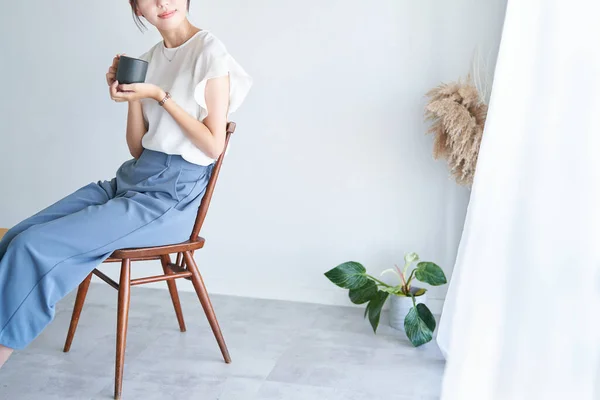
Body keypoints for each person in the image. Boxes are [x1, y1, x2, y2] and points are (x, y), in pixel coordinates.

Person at [0, 0, 252, 368]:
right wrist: (131, 97)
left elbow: (214, 146)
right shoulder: (150, 56)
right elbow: (138, 147)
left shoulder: (209, 52)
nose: (162, 3)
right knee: (16, 235)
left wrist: (159, 96)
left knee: (33, 247)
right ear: (138, 10)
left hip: (170, 199)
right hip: (132, 179)